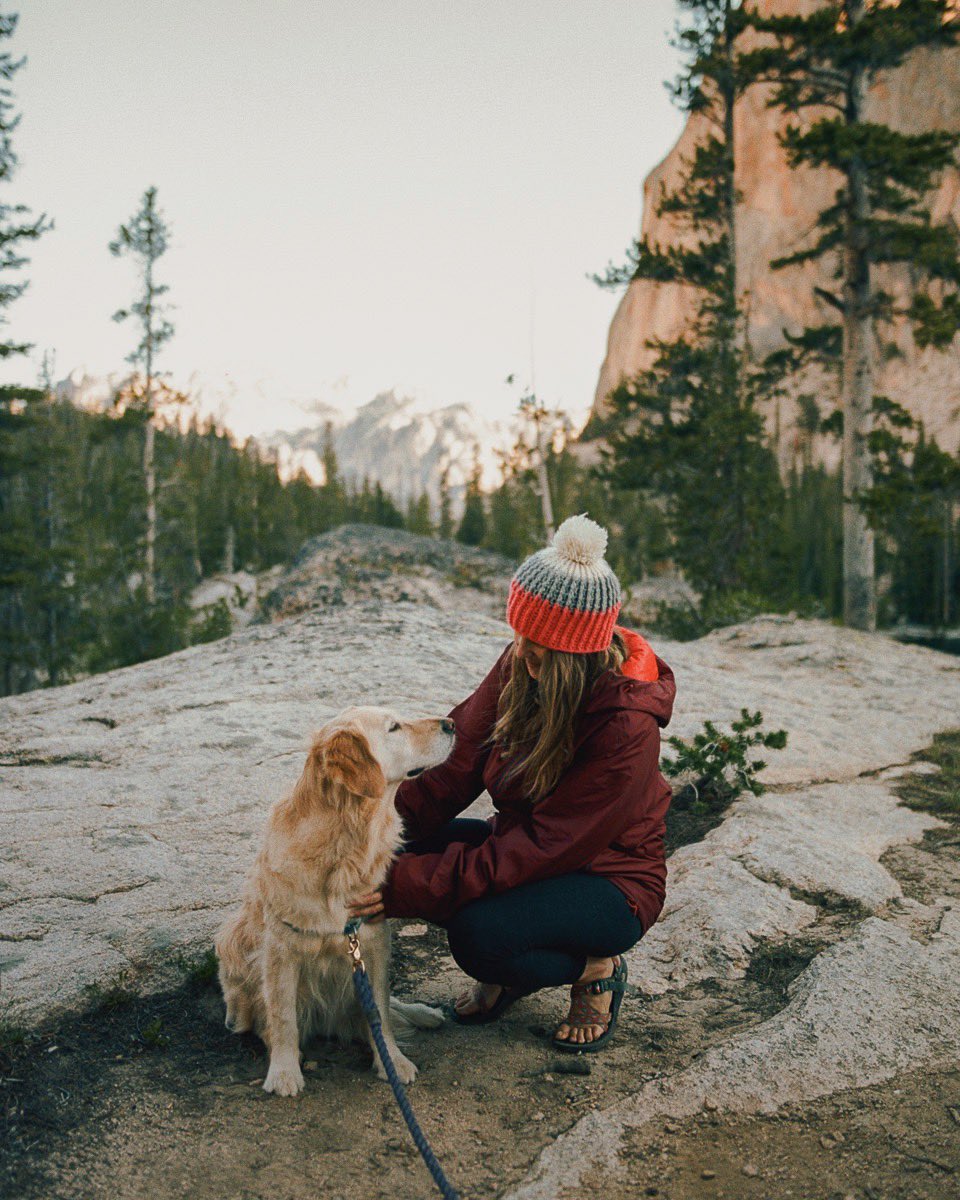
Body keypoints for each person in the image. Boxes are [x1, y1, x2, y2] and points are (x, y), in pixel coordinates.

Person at [349, 513, 676, 1051]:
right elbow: (456, 764)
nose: (521, 650)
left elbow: (546, 847)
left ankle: (596, 968)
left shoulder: (625, 726)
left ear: (577, 651)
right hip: (529, 850)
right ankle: (521, 961)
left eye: (539, 642)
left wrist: (400, 887)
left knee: (480, 939)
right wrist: (361, 838)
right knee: (398, 844)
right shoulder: (524, 662)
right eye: (520, 633)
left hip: (609, 881)